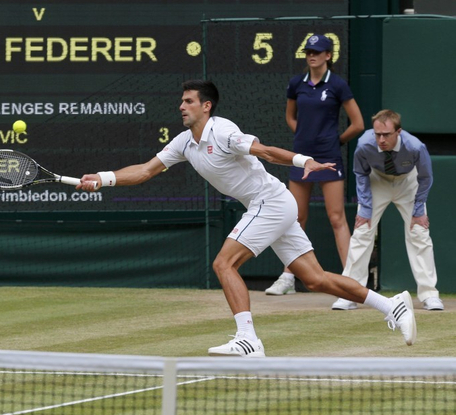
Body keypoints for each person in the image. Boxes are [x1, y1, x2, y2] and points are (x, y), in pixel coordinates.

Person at [77, 79, 416, 357]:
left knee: (223, 264)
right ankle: (391, 305)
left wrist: (303, 161)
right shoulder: (183, 143)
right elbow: (145, 171)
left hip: (269, 203)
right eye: (181, 101)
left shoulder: (223, 131)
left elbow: (265, 151)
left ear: (206, 106)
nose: (181, 106)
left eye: (189, 101)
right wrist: (103, 178)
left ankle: (248, 339)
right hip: (272, 204)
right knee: (315, 280)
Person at [265, 34, 364, 296]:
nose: (312, 56)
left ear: (328, 56)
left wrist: (334, 142)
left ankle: (351, 281)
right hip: (301, 158)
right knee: (295, 218)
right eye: (309, 52)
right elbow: (290, 117)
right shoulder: (296, 84)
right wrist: (303, 136)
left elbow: (358, 124)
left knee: (336, 218)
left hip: (329, 157)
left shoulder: (338, 85)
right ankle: (288, 278)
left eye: (317, 52)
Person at [331, 110, 444, 311]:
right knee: (362, 231)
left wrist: (418, 210)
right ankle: (350, 293)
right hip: (377, 180)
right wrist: (365, 208)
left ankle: (429, 295)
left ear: (398, 132)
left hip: (408, 182)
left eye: (386, 135)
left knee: (419, 233)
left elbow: (425, 177)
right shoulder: (364, 145)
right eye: (378, 135)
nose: (381, 140)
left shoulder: (415, 147)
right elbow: (360, 173)